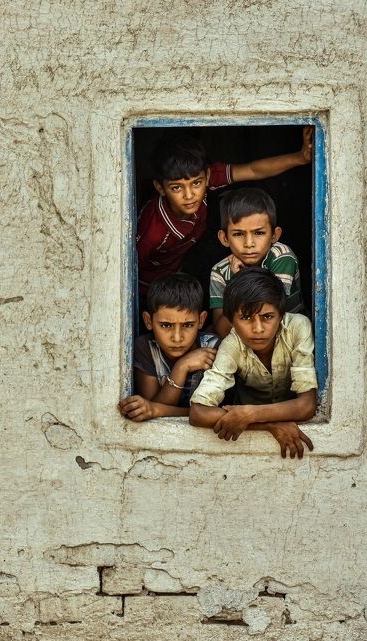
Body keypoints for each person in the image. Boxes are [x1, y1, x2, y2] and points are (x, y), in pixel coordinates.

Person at [136, 127, 313, 297]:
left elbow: (252, 169)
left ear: (206, 176)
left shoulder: (207, 178)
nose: (189, 195)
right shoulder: (152, 232)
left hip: (180, 269)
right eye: (176, 188)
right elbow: (127, 269)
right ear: (160, 188)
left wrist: (300, 158)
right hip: (149, 288)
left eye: (196, 183)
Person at [189, 267, 317, 459]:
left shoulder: (298, 327)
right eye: (246, 318)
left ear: (281, 315)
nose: (258, 329)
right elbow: (198, 412)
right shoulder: (232, 344)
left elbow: (307, 405)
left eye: (267, 317)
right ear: (231, 320)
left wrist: (250, 414)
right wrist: (269, 424)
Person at [118, 273, 218, 421]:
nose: (177, 338)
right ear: (148, 321)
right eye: (166, 325)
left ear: (201, 320)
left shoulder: (213, 348)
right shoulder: (146, 348)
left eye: (188, 325)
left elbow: (218, 413)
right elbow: (148, 411)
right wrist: (181, 367)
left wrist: (155, 409)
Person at [208, 188, 305, 337]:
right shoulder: (220, 271)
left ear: (274, 235)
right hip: (244, 339)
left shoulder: (281, 257)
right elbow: (222, 329)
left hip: (289, 334)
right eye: (238, 234)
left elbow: (268, 313)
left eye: (259, 233)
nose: (249, 243)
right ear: (224, 238)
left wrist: (240, 279)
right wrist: (236, 280)